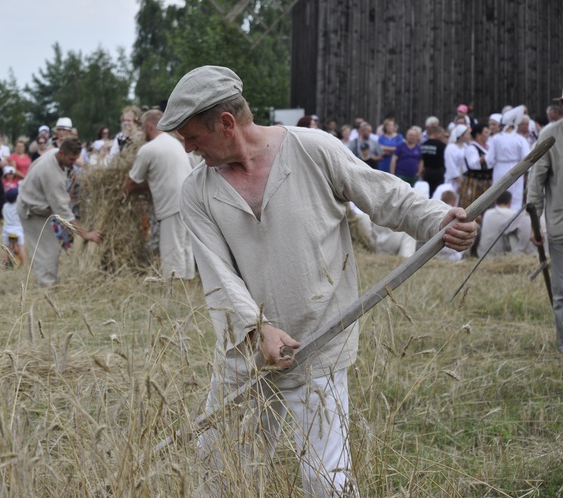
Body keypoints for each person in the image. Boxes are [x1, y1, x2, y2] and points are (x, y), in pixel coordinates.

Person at [158, 65, 477, 496]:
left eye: (194, 138)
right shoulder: (198, 191)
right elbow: (218, 275)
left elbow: (383, 195)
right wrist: (258, 331)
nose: (190, 150)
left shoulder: (312, 150)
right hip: (246, 357)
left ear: (227, 123)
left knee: (327, 484)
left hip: (320, 344)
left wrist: (438, 220)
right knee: (222, 478)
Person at [17, 138, 103, 287]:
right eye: (71, 159)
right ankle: (47, 287)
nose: (74, 162)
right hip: (31, 211)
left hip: (36, 205)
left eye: (76, 159)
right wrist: (85, 234)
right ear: (62, 153)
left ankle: (48, 283)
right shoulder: (52, 174)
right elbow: (64, 213)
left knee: (48, 249)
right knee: (48, 251)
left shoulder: (55, 154)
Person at [124, 109, 195, 280]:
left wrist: (122, 194)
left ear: (149, 127)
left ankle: (175, 289)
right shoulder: (174, 143)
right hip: (188, 202)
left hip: (171, 204)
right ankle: (188, 284)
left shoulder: (149, 149)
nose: (141, 133)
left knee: (171, 249)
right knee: (184, 246)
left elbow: (132, 181)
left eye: (142, 128)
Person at [527, 100, 563, 353]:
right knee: (562, 292)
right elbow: (536, 181)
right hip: (561, 226)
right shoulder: (550, 134)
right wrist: (534, 222)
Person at [486, 106, 530, 211]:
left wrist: (492, 163)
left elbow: (490, 159)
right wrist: (526, 173)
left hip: (499, 169)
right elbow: (527, 158)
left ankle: (499, 215)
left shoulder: (496, 138)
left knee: (499, 193)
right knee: (515, 196)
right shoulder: (520, 139)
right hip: (516, 169)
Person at [477, 191, 532, 258]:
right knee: (514, 233)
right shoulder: (513, 214)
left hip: (482, 254)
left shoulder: (487, 213)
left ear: (495, 201)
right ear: (510, 202)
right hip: (499, 257)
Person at [458, 123, 492, 209]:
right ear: (478, 135)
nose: (488, 135)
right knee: (473, 205)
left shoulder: (488, 147)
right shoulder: (471, 148)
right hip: (475, 182)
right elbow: (473, 164)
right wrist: (485, 158)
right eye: (485, 132)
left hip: (487, 181)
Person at [420, 126, 448, 197]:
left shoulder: (424, 144)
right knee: (437, 194)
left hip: (426, 172)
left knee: (427, 193)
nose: (443, 136)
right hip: (438, 173)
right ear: (437, 133)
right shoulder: (442, 146)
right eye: (442, 134)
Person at [2, 187, 25, 268]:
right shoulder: (19, 206)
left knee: (6, 248)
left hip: (7, 230)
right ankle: (23, 264)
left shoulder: (5, 206)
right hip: (18, 230)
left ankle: (4, 263)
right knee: (21, 247)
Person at [444, 124, 470, 192]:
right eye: (467, 134)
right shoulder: (451, 148)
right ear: (461, 135)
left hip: (465, 178)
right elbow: (451, 166)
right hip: (454, 181)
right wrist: (460, 182)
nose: (469, 136)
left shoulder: (465, 146)